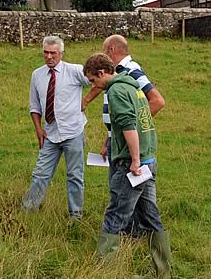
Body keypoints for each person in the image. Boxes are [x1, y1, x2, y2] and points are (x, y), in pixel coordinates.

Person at [84, 53, 171, 278]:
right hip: (148, 161)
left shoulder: (116, 91)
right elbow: (147, 123)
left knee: (115, 214)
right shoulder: (134, 87)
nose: (94, 86)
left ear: (102, 73)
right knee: (150, 216)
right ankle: (162, 271)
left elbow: (129, 126)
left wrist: (134, 160)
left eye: (93, 80)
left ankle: (104, 270)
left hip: (132, 165)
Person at [21, 36, 93, 220]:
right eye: (45, 52)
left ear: (61, 53)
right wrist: (38, 128)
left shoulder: (75, 71)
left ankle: (75, 215)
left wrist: (86, 100)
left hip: (73, 131)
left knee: (75, 175)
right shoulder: (37, 75)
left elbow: (100, 80)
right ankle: (29, 210)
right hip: (50, 133)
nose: (49, 56)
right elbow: (34, 106)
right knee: (40, 173)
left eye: (53, 53)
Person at [101, 34, 165, 237]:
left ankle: (116, 241)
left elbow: (156, 101)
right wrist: (110, 136)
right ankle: (139, 237)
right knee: (138, 201)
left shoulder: (131, 71)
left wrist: (135, 131)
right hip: (121, 140)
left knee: (120, 198)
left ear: (112, 50)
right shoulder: (119, 73)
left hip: (130, 147)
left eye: (104, 51)